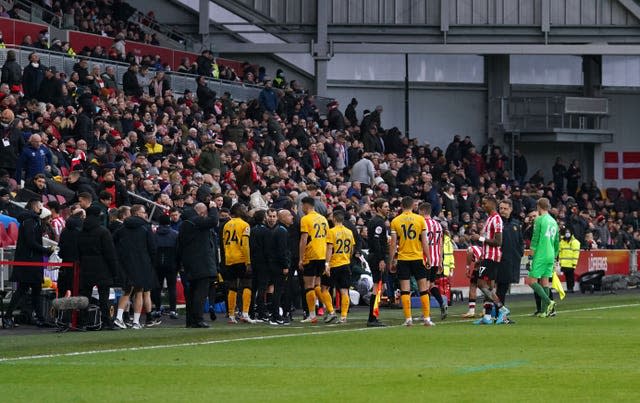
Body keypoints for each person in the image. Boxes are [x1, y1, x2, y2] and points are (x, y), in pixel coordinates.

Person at [2, 199, 53, 328]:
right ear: (35, 206)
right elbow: (30, 242)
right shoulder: (30, 221)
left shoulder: (32, 221)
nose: (42, 208)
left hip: (31, 261)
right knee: (23, 290)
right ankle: (7, 317)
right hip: (29, 262)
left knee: (35, 290)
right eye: (40, 205)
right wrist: (45, 250)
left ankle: (40, 318)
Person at [388, 196, 434, 327]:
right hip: (418, 258)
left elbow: (393, 244)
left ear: (401, 206)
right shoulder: (420, 219)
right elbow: (424, 241)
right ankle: (426, 318)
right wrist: (428, 258)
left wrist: (391, 261)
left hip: (403, 259)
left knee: (405, 290)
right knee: (423, 289)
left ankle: (408, 319)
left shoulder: (395, 221)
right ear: (413, 206)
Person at [113, 204, 158, 329]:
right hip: (142, 263)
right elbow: (152, 247)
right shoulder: (146, 227)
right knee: (139, 291)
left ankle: (118, 317)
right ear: (137, 213)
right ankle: (136, 322)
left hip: (126, 263)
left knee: (127, 290)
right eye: (143, 212)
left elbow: (114, 242)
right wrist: (152, 263)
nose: (145, 214)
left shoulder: (122, 227)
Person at [76, 205, 120, 330]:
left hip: (86, 266)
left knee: (85, 296)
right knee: (104, 297)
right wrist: (114, 271)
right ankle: (107, 322)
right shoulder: (103, 231)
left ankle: (83, 322)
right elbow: (110, 253)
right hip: (102, 267)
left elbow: (78, 250)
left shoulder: (81, 231)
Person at [469, 195, 510, 325]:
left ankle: (502, 308)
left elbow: (498, 242)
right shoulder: (489, 219)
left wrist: (479, 238)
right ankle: (487, 317)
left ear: (492, 204)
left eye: (485, 203)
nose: (483, 205)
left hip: (492, 257)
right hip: (486, 255)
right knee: (490, 287)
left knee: (481, 284)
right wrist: (481, 254)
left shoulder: (496, 219)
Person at [178, 202, 219, 328]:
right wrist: (213, 208)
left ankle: (190, 320)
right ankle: (198, 319)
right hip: (201, 263)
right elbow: (213, 221)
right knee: (200, 293)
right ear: (202, 213)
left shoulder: (185, 224)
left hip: (190, 263)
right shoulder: (196, 222)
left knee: (192, 293)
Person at [298, 196, 330, 324]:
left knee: (308, 285)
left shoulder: (305, 219)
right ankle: (330, 310)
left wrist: (301, 258)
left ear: (306, 205)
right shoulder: (323, 218)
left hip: (311, 254)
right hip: (322, 255)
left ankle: (312, 315)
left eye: (302, 206)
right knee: (317, 284)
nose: (302, 208)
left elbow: (304, 239)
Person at [526, 197, 559, 318]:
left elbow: (535, 239)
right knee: (545, 282)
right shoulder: (553, 221)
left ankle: (549, 301)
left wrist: (530, 256)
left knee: (531, 281)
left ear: (539, 207)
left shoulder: (539, 220)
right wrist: (555, 256)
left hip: (541, 253)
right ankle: (544, 311)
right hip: (550, 254)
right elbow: (556, 241)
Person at [222, 203, 255, 324]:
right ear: (239, 211)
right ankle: (245, 313)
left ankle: (231, 315)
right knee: (247, 284)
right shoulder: (244, 225)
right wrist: (248, 262)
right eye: (243, 209)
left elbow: (225, 244)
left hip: (229, 259)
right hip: (241, 258)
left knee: (232, 287)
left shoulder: (226, 225)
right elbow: (245, 245)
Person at [496, 199, 524, 323]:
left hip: (510, 261)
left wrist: (518, 255)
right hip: (497, 261)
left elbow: (520, 243)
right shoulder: (496, 223)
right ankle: (497, 315)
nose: (502, 211)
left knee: (502, 288)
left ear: (511, 209)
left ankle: (497, 315)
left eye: (505, 208)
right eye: (501, 208)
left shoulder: (515, 224)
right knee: (496, 289)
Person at [324, 210, 354, 324]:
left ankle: (331, 312)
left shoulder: (331, 231)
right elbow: (351, 249)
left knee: (324, 288)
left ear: (335, 219)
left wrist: (327, 264)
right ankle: (343, 316)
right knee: (344, 291)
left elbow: (329, 248)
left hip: (334, 264)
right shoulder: (349, 232)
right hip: (345, 263)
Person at [419, 202, 447, 320]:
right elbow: (440, 244)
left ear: (422, 212)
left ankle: (426, 312)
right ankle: (441, 303)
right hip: (435, 258)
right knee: (431, 284)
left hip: (425, 259)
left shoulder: (421, 224)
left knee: (424, 285)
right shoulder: (438, 225)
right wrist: (440, 260)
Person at [365, 198, 389, 327]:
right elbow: (376, 242)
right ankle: (372, 317)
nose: (388, 208)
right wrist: (380, 259)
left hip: (376, 256)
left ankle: (374, 315)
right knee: (378, 286)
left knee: (381, 286)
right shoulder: (378, 222)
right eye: (385, 206)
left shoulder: (376, 221)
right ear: (378, 208)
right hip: (377, 257)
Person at [152, 215, 179, 319]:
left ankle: (158, 309)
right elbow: (178, 250)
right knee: (172, 287)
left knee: (157, 287)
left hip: (157, 264)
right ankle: (173, 310)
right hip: (172, 264)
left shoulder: (154, 235)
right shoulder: (175, 234)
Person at [267, 209, 291, 325]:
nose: (292, 217)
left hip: (274, 264)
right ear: (283, 218)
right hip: (278, 266)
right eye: (289, 215)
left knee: (277, 289)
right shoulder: (281, 231)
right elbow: (282, 251)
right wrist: (285, 265)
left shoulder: (279, 230)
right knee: (278, 290)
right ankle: (276, 315)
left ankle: (275, 315)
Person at [249, 209, 270, 322]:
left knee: (253, 287)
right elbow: (267, 249)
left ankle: (251, 312)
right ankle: (261, 312)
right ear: (263, 218)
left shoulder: (252, 230)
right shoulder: (265, 231)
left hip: (253, 261)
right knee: (262, 288)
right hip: (263, 263)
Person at [462, 243, 483, 318]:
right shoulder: (481, 249)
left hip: (480, 267)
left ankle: (471, 311)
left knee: (473, 287)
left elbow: (470, 251)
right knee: (486, 288)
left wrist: (468, 267)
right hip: (488, 267)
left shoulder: (470, 248)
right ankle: (486, 310)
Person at [559, 226, 580, 293]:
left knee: (570, 276)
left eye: (568, 232)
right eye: (566, 232)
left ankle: (571, 288)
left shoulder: (575, 242)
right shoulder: (562, 241)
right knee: (567, 276)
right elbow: (560, 252)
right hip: (564, 263)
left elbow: (576, 254)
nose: (567, 233)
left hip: (571, 263)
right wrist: (560, 261)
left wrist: (574, 263)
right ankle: (569, 288)